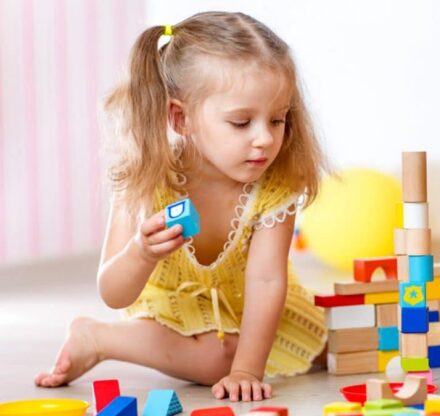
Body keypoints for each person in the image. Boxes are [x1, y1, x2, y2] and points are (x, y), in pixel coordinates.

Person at [34, 11, 327, 402]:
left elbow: (267, 281)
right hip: (171, 311)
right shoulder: (148, 176)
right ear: (181, 117)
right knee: (216, 362)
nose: (265, 139)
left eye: (277, 120)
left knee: (325, 349)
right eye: (242, 123)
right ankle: (97, 337)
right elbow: (113, 292)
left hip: (241, 305)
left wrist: (247, 370)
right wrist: (141, 253)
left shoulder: (274, 187)